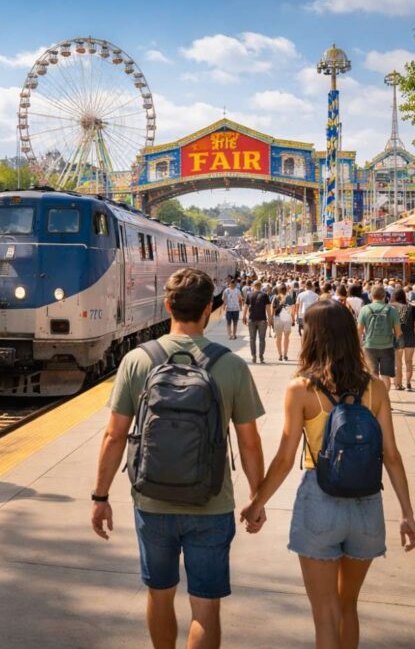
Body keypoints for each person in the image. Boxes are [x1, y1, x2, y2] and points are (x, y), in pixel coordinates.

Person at [92, 268, 265, 649]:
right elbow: (249, 443)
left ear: (167, 305)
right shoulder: (231, 365)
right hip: (211, 504)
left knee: (159, 596)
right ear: (208, 309)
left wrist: (100, 496)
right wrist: (257, 498)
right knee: (205, 608)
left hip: (152, 502)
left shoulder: (137, 360)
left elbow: (114, 435)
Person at [240, 300, 415, 649]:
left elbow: (284, 459)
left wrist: (257, 503)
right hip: (367, 505)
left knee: (324, 614)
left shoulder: (302, 389)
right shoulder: (375, 388)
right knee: (347, 606)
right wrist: (407, 514)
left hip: (319, 500)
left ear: (312, 337)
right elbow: (392, 456)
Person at [357, 286, 400, 390]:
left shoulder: (365, 309)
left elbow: (359, 330)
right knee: (386, 376)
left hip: (370, 345)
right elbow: (398, 332)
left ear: (371, 296)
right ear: (384, 296)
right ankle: (385, 397)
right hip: (387, 346)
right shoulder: (392, 310)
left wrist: (359, 345)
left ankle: (375, 398)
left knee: (373, 375)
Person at [390, 289, 415, 391]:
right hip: (410, 336)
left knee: (397, 362)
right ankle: (408, 383)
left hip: (397, 337)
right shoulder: (412, 308)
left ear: (394, 296)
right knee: (409, 361)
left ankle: (398, 384)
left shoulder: (391, 308)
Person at [243, 280, 271, 364]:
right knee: (262, 339)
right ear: (261, 286)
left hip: (251, 319)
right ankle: (261, 357)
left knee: (252, 339)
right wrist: (270, 319)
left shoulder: (249, 295)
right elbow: (268, 308)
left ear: (253, 286)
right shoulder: (265, 295)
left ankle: (254, 356)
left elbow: (246, 306)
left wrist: (244, 316)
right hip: (262, 319)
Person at [271, 284, 294, 361]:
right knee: (287, 337)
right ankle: (285, 354)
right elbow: (292, 309)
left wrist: (271, 319)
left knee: (278, 337)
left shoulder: (275, 297)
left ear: (279, 290)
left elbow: (272, 309)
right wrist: (293, 319)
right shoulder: (289, 298)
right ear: (286, 290)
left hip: (278, 318)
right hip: (287, 318)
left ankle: (280, 354)